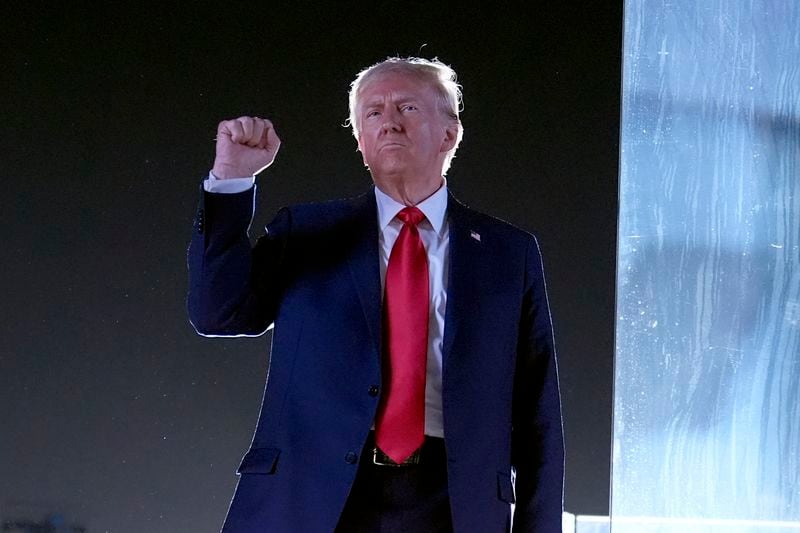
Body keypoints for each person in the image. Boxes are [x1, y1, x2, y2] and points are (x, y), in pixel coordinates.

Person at [187, 57, 563, 532]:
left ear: (450, 135)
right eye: (373, 113)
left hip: (452, 506)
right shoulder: (306, 231)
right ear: (361, 143)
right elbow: (217, 314)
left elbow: (538, 413)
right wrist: (232, 182)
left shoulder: (510, 254)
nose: (389, 121)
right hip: (309, 500)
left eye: (407, 107)